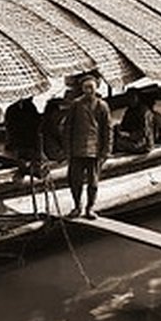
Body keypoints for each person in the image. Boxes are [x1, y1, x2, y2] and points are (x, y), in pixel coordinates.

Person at [65, 74, 112, 219]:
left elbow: (107, 130)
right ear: (82, 89)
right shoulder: (76, 104)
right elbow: (68, 128)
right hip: (77, 150)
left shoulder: (102, 106)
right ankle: (77, 206)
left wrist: (106, 150)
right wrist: (68, 150)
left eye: (91, 87)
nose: (88, 90)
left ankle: (90, 208)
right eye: (85, 87)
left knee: (93, 183)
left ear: (96, 88)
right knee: (75, 181)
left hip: (94, 150)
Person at [3, 97, 45, 176]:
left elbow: (9, 127)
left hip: (18, 143)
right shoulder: (30, 108)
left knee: (21, 162)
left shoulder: (11, 109)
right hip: (27, 143)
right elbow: (36, 127)